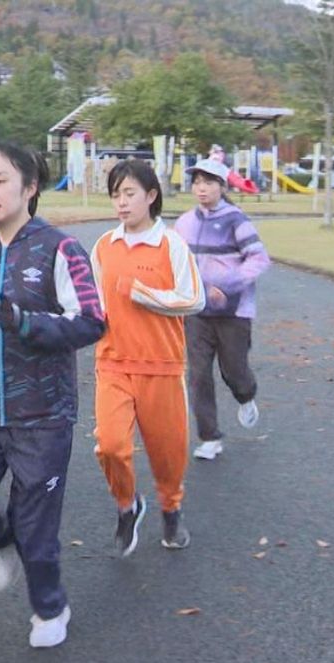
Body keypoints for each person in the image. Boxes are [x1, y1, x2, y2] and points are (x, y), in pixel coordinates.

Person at [0, 142, 105, 648]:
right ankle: (1, 539)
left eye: (0, 181)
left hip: (43, 415)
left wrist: (23, 322)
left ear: (30, 188)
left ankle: (50, 609)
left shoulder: (61, 249)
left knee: (38, 531)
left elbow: (92, 321)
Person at [90, 160, 206, 555]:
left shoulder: (171, 244)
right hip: (113, 363)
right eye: (115, 195)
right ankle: (127, 505)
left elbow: (193, 298)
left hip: (161, 366)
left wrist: (139, 291)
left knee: (168, 453)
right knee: (110, 445)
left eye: (129, 194)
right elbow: (94, 303)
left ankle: (171, 509)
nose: (121, 203)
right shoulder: (104, 246)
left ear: (151, 196)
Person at [173, 157, 271, 460]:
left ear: (221, 186)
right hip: (197, 312)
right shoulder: (185, 222)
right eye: (197, 183)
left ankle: (246, 395)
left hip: (233, 312)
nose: (201, 189)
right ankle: (209, 437)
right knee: (199, 374)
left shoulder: (236, 220)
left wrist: (227, 285)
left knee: (234, 369)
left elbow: (258, 259)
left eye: (208, 183)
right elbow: (174, 260)